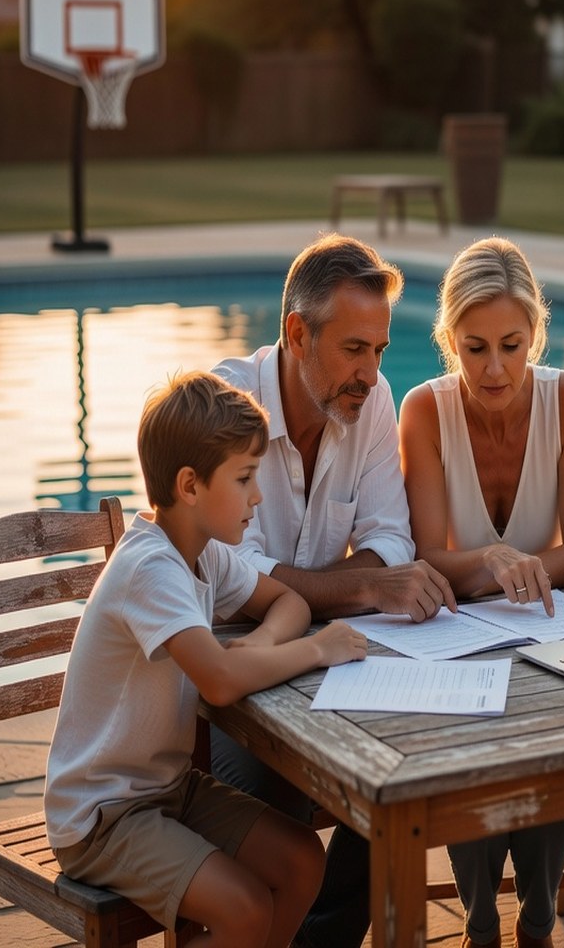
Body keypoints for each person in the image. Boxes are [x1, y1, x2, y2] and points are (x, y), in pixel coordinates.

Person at [43, 371, 369, 947]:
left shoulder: (204, 554)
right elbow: (219, 681)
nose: (257, 496)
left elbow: (289, 601)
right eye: (244, 478)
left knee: (302, 862)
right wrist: (318, 648)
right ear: (190, 485)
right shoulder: (150, 568)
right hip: (103, 816)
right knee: (245, 909)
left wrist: (262, 644)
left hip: (169, 789)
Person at [211, 233, 458, 948]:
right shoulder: (222, 408)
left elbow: (393, 540)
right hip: (226, 684)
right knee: (276, 801)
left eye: (379, 350)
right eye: (354, 349)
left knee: (402, 774)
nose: (371, 373)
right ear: (298, 335)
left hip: (324, 661)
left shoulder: (369, 403)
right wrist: (367, 586)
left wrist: (350, 586)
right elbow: (234, 581)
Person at [397, 237, 564, 948]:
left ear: (535, 336)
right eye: (474, 347)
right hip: (460, 633)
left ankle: (538, 920)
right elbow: (427, 556)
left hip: (547, 623)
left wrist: (522, 568)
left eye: (511, 346)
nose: (493, 369)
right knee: (465, 744)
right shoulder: (424, 411)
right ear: (448, 339)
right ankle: (481, 922)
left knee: (559, 734)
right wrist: (492, 559)